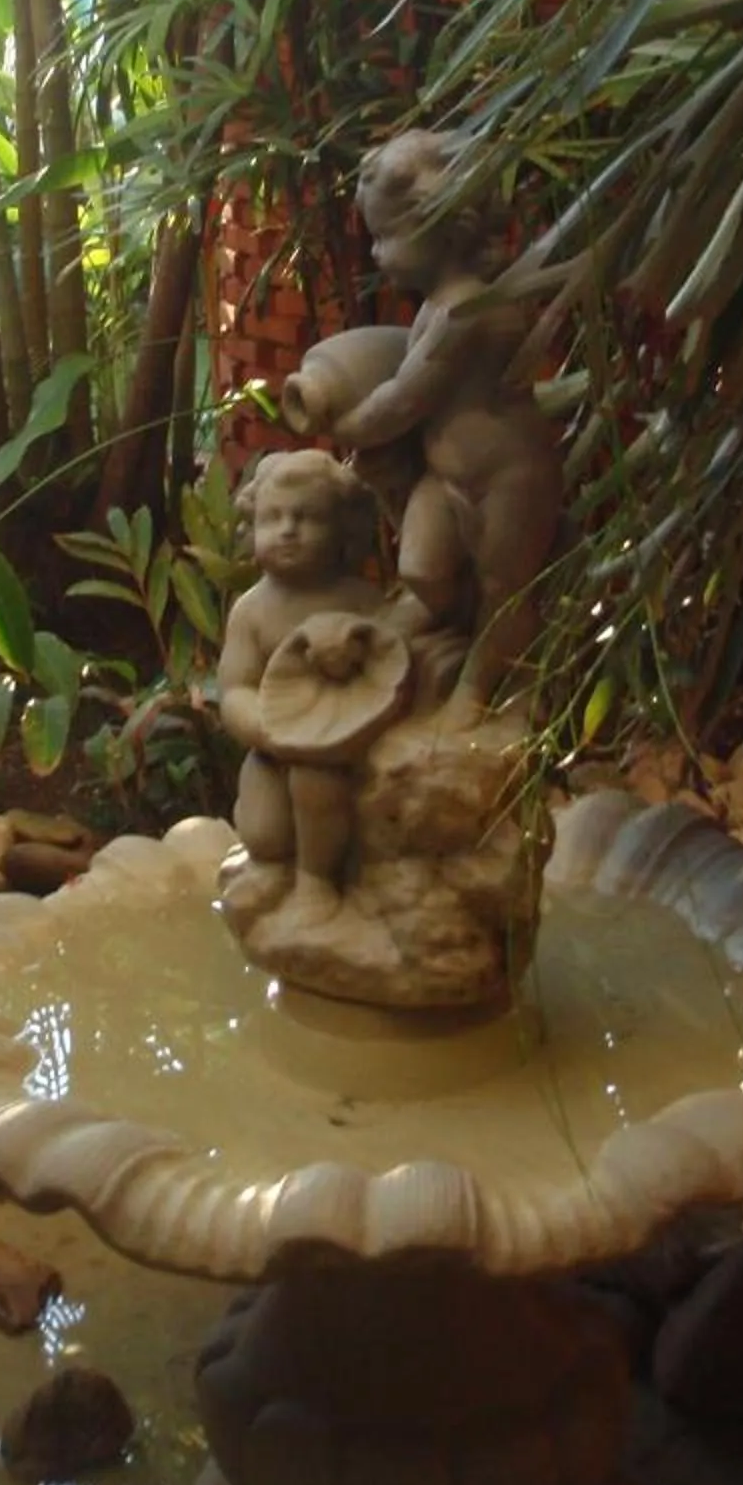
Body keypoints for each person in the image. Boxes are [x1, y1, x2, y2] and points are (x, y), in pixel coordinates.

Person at [322, 130, 564, 716]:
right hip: (446, 478)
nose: (376, 255)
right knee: (421, 570)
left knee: (507, 592)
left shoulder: (467, 310)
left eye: (386, 238)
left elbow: (405, 399)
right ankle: (459, 634)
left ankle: (482, 690)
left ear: (446, 229)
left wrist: (345, 426)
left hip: (509, 480)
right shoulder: (437, 303)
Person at [216, 450, 395, 907]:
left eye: (307, 518)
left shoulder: (362, 601)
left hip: (341, 750)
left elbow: (392, 669)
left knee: (318, 785)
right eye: (272, 518)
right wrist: (263, 727)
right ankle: (275, 866)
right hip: (272, 751)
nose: (288, 530)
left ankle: (317, 884)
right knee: (265, 835)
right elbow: (235, 688)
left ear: (344, 531)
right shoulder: (251, 611)